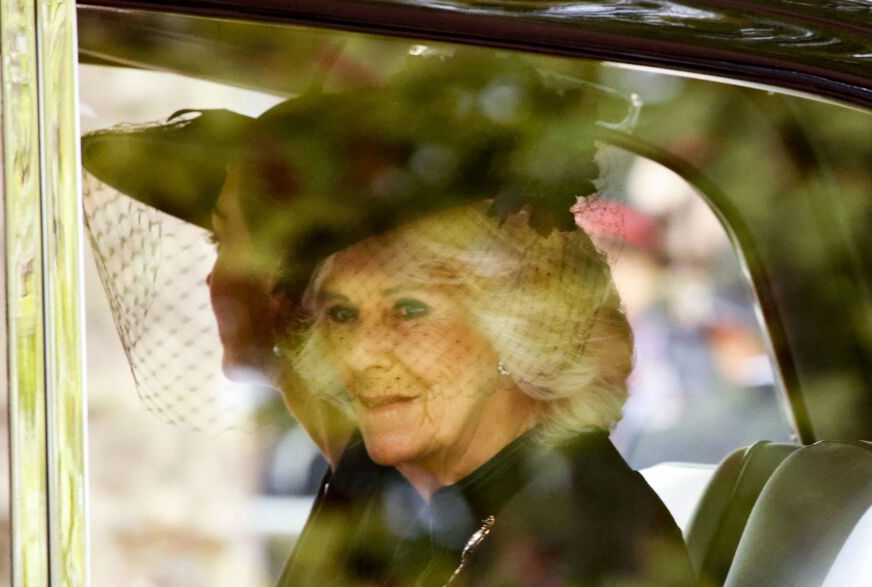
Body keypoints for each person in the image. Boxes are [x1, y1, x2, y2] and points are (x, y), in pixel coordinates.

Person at [83, 50, 694, 585]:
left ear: (516, 318)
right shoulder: (412, 478)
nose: (360, 352)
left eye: (409, 310)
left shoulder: (583, 543)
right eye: (341, 313)